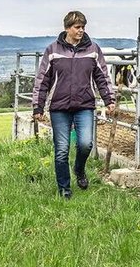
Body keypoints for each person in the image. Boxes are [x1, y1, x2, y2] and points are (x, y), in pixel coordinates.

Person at [32, 11, 118, 198]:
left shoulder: (93, 49)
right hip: (59, 107)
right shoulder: (53, 50)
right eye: (77, 27)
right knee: (61, 150)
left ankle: (79, 170)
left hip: (85, 105)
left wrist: (109, 100)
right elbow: (42, 80)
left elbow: (102, 77)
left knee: (86, 144)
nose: (81, 30)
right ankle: (65, 188)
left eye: (83, 27)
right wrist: (37, 106)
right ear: (67, 28)